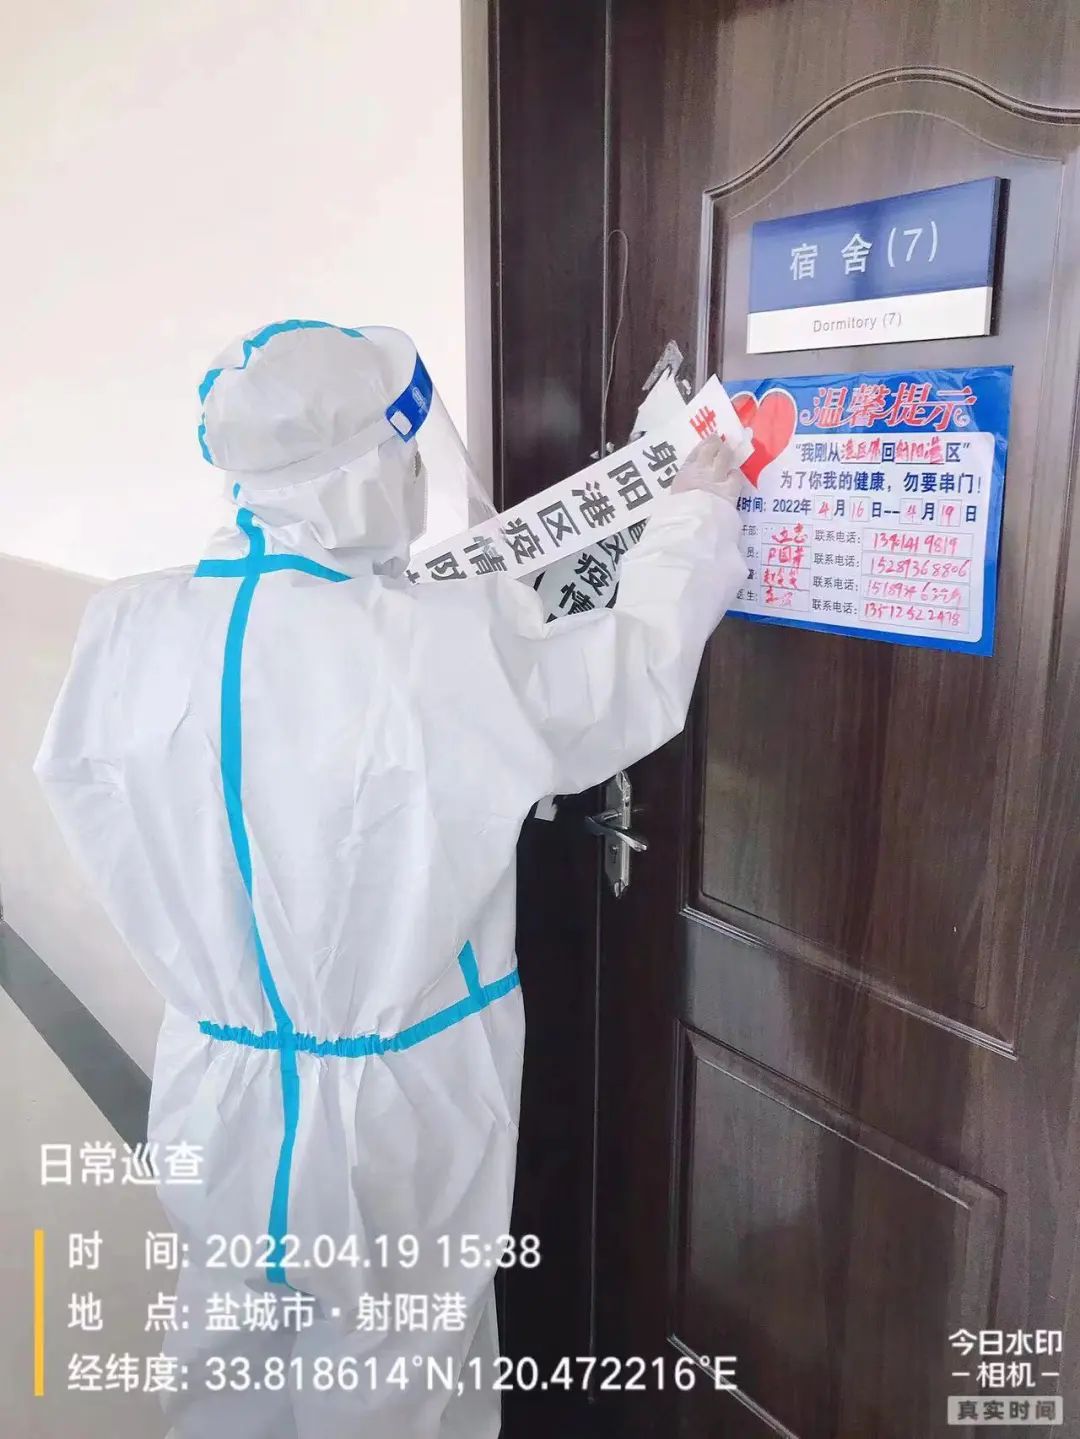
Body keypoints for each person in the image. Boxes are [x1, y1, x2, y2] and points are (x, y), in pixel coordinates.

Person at [35, 321, 747, 1438]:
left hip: (218, 1087)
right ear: (368, 470)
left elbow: (94, 799)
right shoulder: (431, 643)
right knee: (397, 1380)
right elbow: (621, 682)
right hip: (400, 1106)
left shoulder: (126, 627)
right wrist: (694, 516)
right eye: (404, 453)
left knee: (227, 1361)